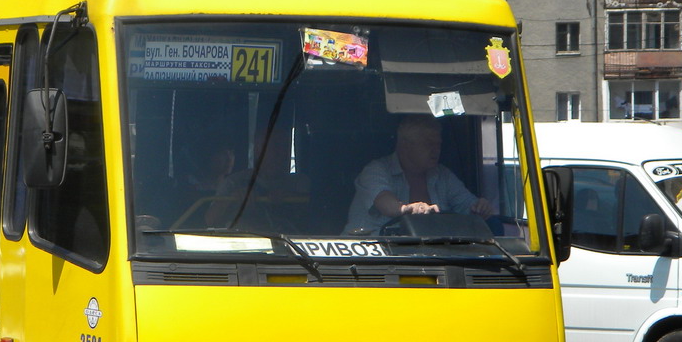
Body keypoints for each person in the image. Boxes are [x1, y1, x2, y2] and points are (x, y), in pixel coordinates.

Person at [344, 114, 491, 233]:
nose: (436, 150)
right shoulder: (375, 170)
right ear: (405, 145)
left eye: (438, 144)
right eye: (428, 144)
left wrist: (479, 207)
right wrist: (408, 209)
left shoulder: (443, 175)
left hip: (422, 261)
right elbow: (385, 203)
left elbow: (467, 205)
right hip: (365, 262)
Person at [205, 127, 309, 228]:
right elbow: (210, 221)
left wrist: (291, 199)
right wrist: (233, 199)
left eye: (283, 147)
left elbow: (315, 218)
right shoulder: (234, 182)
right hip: (243, 242)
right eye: (273, 147)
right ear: (257, 151)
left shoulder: (299, 183)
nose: (278, 153)